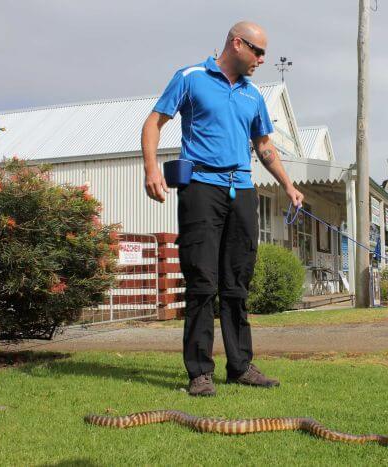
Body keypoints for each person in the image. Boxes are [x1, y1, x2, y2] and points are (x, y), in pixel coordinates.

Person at [141, 21, 303, 396]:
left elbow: (264, 146)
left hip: (242, 190)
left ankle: (241, 366)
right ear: (236, 43)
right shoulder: (191, 77)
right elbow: (154, 122)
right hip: (201, 187)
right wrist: (151, 167)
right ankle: (199, 372)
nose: (262, 59)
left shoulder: (252, 96)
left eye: (264, 53)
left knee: (237, 282)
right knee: (202, 280)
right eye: (257, 51)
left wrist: (289, 186)